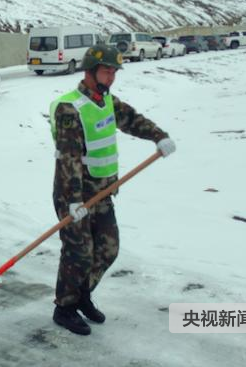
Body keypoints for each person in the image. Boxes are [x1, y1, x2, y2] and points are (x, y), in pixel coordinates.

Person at [49, 44, 176, 335]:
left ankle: (82, 295)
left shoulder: (107, 101)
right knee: (79, 252)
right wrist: (72, 201)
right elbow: (68, 158)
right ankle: (64, 308)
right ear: (90, 72)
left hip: (103, 193)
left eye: (114, 72)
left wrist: (159, 136)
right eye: (107, 71)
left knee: (108, 250)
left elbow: (132, 120)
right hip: (75, 193)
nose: (112, 77)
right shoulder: (71, 109)